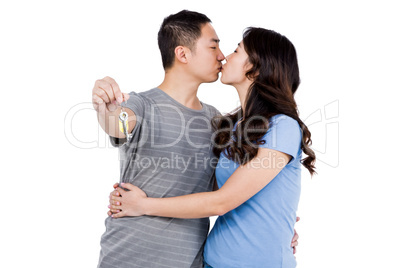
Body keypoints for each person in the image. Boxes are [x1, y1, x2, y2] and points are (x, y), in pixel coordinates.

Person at [93, 10, 298, 267]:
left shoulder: (217, 122)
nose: (222, 55)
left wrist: (277, 223)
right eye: (214, 46)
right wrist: (104, 106)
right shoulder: (142, 104)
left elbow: (225, 193)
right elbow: (118, 124)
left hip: (191, 260)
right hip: (131, 254)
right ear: (183, 54)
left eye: (231, 50)